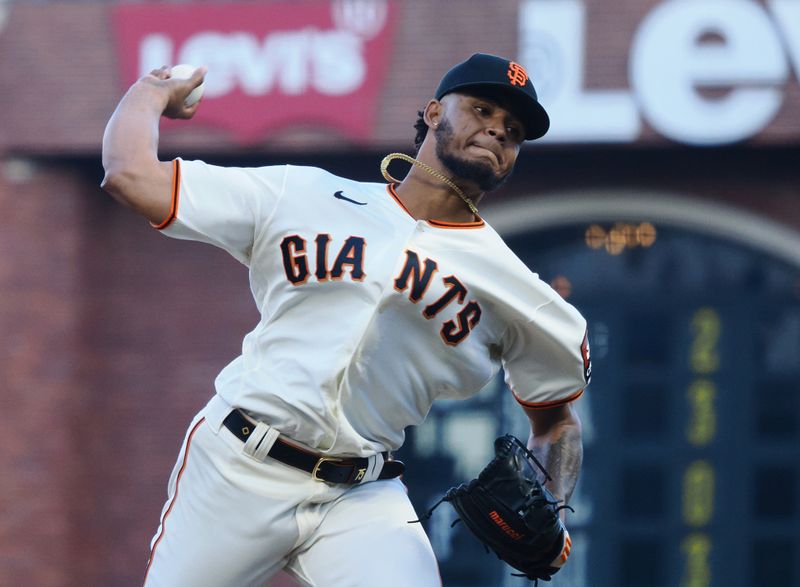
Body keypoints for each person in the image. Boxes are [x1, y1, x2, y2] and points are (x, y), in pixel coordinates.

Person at [101, 53, 590, 587]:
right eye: (481, 108)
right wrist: (149, 94)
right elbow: (131, 176)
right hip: (237, 466)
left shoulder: (521, 291)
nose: (497, 128)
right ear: (432, 113)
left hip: (361, 494)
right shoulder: (302, 195)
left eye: (514, 130)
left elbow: (557, 420)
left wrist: (553, 504)